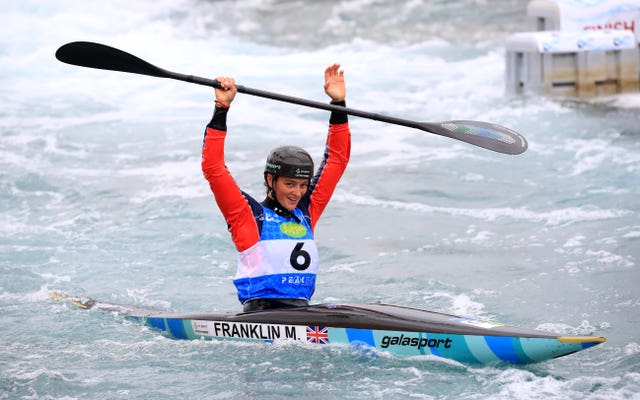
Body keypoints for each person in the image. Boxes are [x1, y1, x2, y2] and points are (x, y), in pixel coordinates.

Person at [201, 64, 351, 312]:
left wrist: (339, 105)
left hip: (302, 314)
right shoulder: (247, 216)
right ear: (270, 181)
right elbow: (213, 168)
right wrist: (222, 108)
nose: (297, 192)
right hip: (261, 317)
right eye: (289, 184)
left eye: (303, 185)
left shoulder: (307, 212)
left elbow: (337, 160)